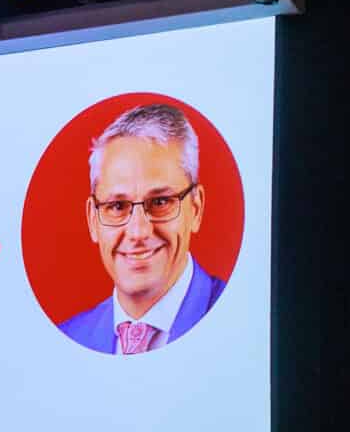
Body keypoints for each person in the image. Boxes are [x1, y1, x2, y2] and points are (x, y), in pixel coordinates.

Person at [58, 103, 226, 353]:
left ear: (196, 208)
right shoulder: (69, 337)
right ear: (93, 220)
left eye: (160, 202)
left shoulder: (246, 316)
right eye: (117, 206)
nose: (138, 232)